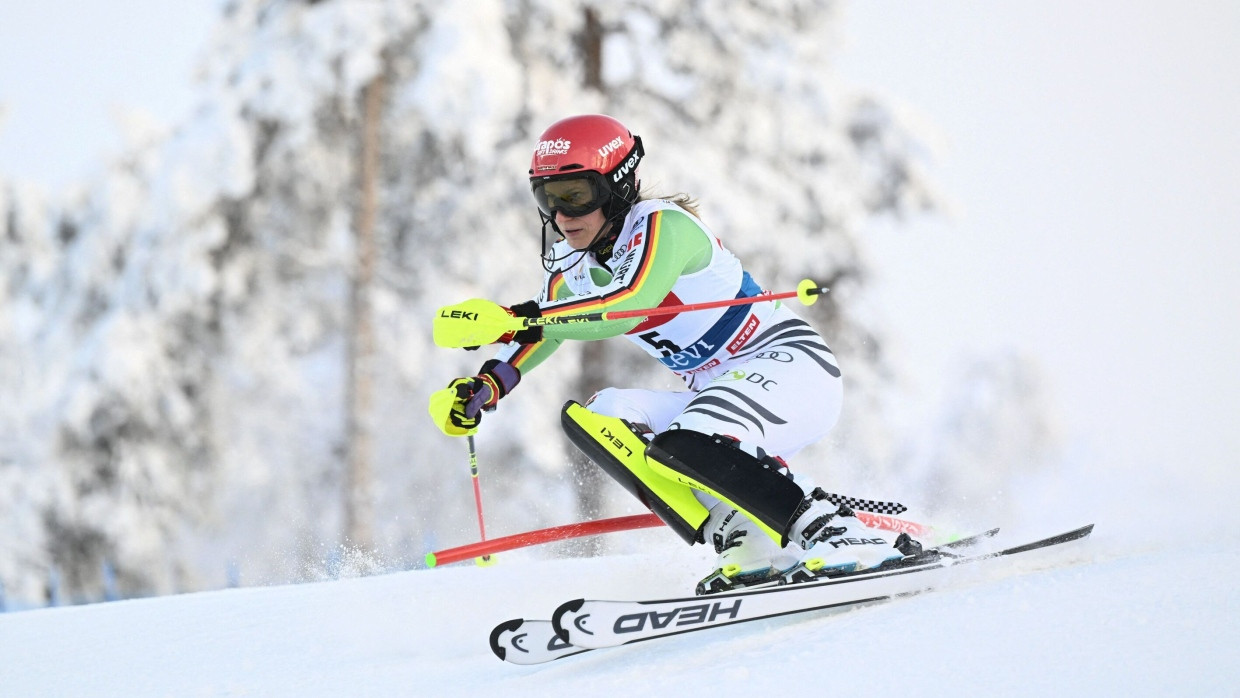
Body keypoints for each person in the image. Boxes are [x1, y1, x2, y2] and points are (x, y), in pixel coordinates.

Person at [428, 114, 921, 592]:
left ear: (617, 186)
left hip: (790, 367)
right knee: (602, 416)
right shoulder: (570, 269)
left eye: (575, 196)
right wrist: (488, 386)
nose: (561, 216)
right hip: (720, 395)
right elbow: (549, 330)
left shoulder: (663, 226)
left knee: (691, 438)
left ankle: (836, 532)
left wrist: (518, 316)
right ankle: (749, 541)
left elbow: (627, 305)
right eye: (548, 198)